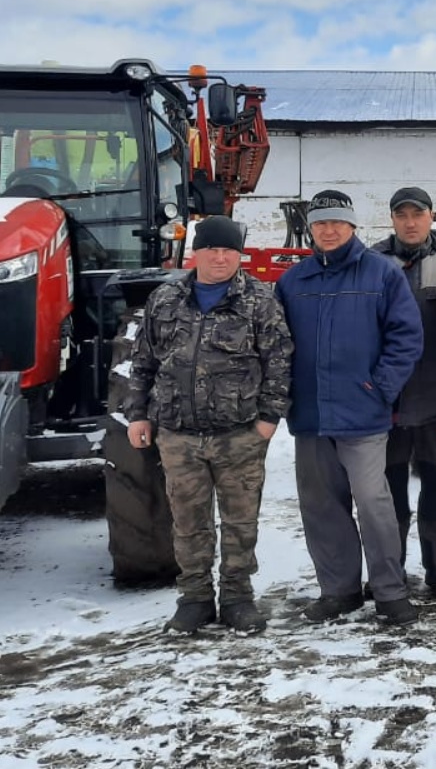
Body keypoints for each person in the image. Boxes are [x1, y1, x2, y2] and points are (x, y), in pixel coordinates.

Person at [124, 215, 292, 635]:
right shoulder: (165, 299)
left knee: (240, 523)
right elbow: (143, 360)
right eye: (212, 249)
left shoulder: (258, 300)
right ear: (195, 253)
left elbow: (279, 361)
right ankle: (194, 598)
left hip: (239, 434)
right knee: (188, 522)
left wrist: (269, 418)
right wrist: (137, 413)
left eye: (229, 251)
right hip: (178, 434)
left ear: (239, 255)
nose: (220, 258)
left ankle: (237, 598)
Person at [275, 189, 425, 626]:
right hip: (311, 415)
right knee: (321, 506)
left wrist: (379, 388)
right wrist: (286, 395)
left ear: (353, 226)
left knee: (373, 503)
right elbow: (276, 345)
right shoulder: (293, 282)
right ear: (311, 229)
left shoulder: (381, 273)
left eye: (337, 222)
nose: (329, 230)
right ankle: (339, 590)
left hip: (363, 414)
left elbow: (406, 337)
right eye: (321, 223)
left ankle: (390, 591)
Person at [369, 186, 436, 597]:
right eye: (402, 215)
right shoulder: (373, 262)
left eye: (417, 214)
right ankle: (389, 572)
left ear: (431, 216)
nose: (410, 223)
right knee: (387, 494)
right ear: (392, 219)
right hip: (387, 402)